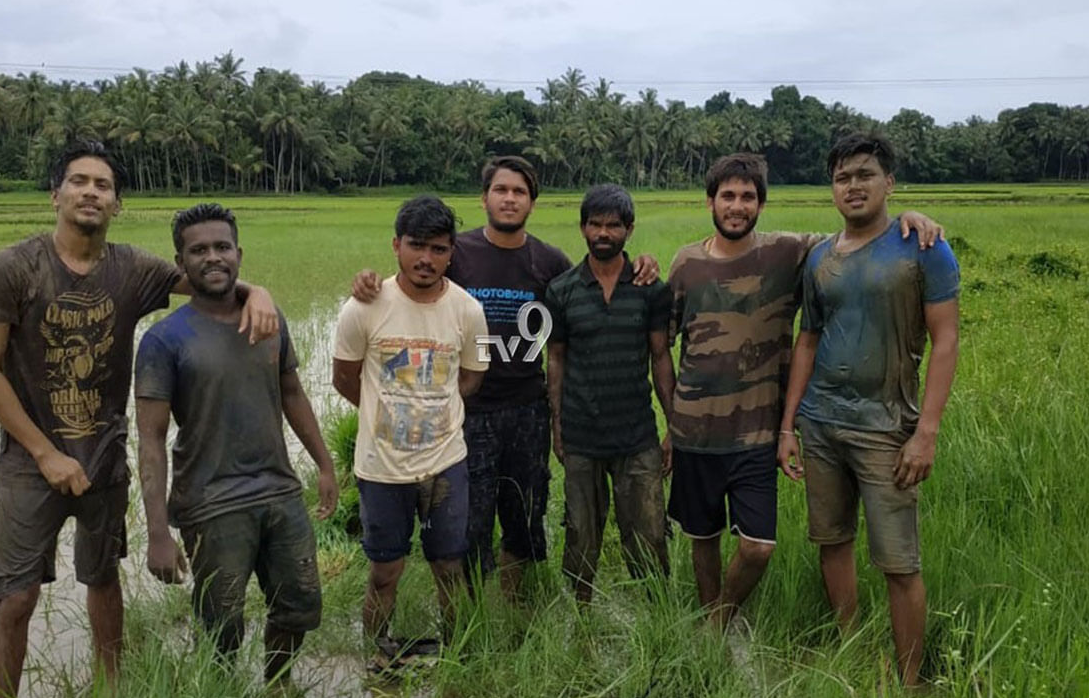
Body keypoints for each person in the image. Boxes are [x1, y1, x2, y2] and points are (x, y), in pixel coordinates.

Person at [0, 140, 276, 698]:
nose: (90, 192)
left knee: (103, 580)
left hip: (105, 460)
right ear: (55, 194)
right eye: (79, 181)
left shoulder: (132, 270)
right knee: (15, 597)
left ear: (118, 204)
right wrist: (43, 454)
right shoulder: (12, 269)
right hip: (28, 464)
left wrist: (257, 291)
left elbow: (209, 280)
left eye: (102, 185)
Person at [351, 156, 660, 597]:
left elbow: (593, 284)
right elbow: (411, 279)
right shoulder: (458, 255)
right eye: (501, 189)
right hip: (466, 413)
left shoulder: (551, 262)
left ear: (533, 203)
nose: (510, 199)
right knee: (470, 520)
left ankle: (515, 604)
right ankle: (474, 608)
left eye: (519, 192)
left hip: (527, 410)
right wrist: (366, 282)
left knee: (524, 514)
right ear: (485, 198)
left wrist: (642, 263)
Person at [667, 153, 942, 633]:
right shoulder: (684, 262)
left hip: (757, 433)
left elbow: (856, 239)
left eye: (748, 197)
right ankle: (711, 628)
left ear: (761, 204)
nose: (737, 206)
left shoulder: (791, 252)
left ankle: (718, 618)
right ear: (709, 201)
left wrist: (907, 219)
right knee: (702, 536)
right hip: (694, 430)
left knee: (757, 546)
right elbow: (661, 341)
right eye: (727, 196)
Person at [778, 133, 960, 686]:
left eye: (864, 175)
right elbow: (806, 341)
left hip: (888, 430)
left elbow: (946, 340)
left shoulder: (922, 247)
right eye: (842, 178)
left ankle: (908, 681)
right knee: (831, 541)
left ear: (889, 183)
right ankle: (850, 646)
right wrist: (788, 426)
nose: (853, 186)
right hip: (822, 423)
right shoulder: (819, 258)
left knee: (899, 562)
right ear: (831, 188)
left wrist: (926, 432)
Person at [133, 203, 338, 692]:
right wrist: (157, 531)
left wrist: (325, 465)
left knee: (300, 603)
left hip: (280, 492)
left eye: (222, 247)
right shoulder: (164, 340)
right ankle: (221, 695)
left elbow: (292, 393)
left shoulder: (268, 320)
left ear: (239, 254)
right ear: (180, 263)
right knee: (220, 622)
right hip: (211, 502)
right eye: (198, 250)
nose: (213, 258)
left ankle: (279, 683)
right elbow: (150, 440)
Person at [332, 195, 488, 654]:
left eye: (439, 249)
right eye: (417, 246)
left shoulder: (466, 310)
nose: (426, 258)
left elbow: (474, 376)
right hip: (381, 468)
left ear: (451, 253)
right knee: (385, 572)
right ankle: (377, 653)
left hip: (444, 464)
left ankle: (458, 653)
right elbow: (345, 377)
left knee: (449, 567)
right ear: (396, 245)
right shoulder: (363, 307)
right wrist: (387, 411)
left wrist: (431, 405)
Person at [545, 184, 675, 604]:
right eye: (596, 224)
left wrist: (673, 427)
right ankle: (580, 619)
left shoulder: (650, 288)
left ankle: (656, 622)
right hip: (582, 434)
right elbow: (557, 360)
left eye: (613, 225)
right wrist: (557, 425)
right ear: (583, 228)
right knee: (581, 535)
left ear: (629, 229)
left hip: (637, 435)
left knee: (650, 536)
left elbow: (660, 358)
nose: (604, 233)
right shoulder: (561, 291)